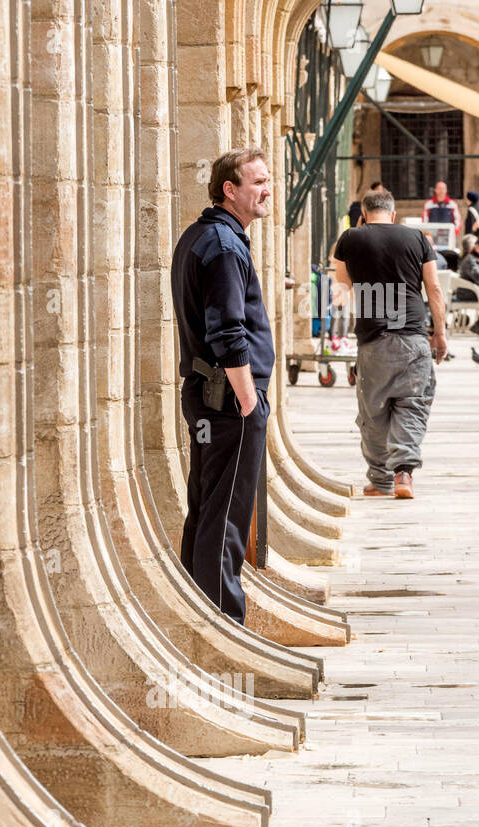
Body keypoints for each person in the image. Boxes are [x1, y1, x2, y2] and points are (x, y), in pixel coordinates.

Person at [171, 148, 275, 624]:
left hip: (209, 397)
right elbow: (227, 330)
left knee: (208, 507)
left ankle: (199, 615)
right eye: (256, 181)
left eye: (267, 180)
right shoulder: (224, 245)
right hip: (228, 400)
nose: (266, 189)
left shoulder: (204, 235)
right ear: (229, 189)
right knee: (227, 516)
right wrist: (249, 398)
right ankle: (224, 621)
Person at [332, 189, 447, 501]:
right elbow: (434, 288)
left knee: (373, 410)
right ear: (393, 214)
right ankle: (404, 473)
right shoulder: (419, 239)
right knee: (413, 404)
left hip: (373, 338)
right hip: (413, 334)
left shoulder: (350, 238)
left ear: (365, 214)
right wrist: (439, 332)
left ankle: (379, 479)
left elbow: (341, 291)